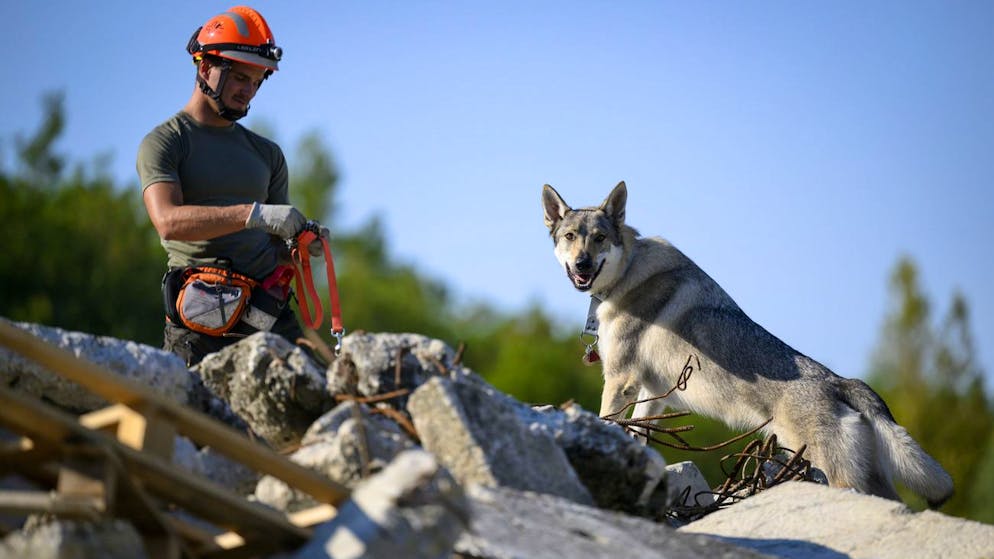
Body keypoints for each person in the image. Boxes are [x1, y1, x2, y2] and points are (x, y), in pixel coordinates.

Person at [137, 6, 323, 366]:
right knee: (187, 418)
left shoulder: (267, 154)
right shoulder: (165, 142)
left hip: (269, 317)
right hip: (201, 323)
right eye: (240, 78)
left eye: (257, 81)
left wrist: (302, 244)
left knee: (318, 412)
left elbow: (277, 244)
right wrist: (254, 215)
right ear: (206, 68)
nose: (248, 91)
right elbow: (168, 221)